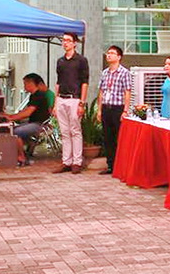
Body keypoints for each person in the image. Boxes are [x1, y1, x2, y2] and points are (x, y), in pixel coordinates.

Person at [52, 33, 90, 174]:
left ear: (74, 43)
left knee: (75, 130)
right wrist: (55, 103)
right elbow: (58, 82)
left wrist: (82, 103)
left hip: (74, 99)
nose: (65, 43)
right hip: (61, 99)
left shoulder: (81, 60)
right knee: (64, 132)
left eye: (68, 40)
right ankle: (66, 161)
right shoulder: (60, 61)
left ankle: (77, 162)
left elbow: (85, 82)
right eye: (63, 40)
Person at [2, 73, 50, 168]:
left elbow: (28, 112)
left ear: (31, 83)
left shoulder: (39, 95)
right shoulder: (33, 96)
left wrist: (11, 117)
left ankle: (22, 157)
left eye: (25, 83)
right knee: (12, 128)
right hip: (33, 122)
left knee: (15, 132)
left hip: (39, 124)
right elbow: (26, 111)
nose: (24, 86)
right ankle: (21, 153)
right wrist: (12, 116)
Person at [97, 45, 132, 174]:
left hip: (118, 108)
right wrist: (99, 110)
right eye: (108, 53)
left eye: (112, 53)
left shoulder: (124, 73)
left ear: (119, 57)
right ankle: (110, 165)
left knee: (119, 138)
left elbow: (127, 92)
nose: (109, 55)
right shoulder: (105, 73)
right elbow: (101, 92)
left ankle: (121, 165)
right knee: (107, 138)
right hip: (106, 107)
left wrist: (125, 110)